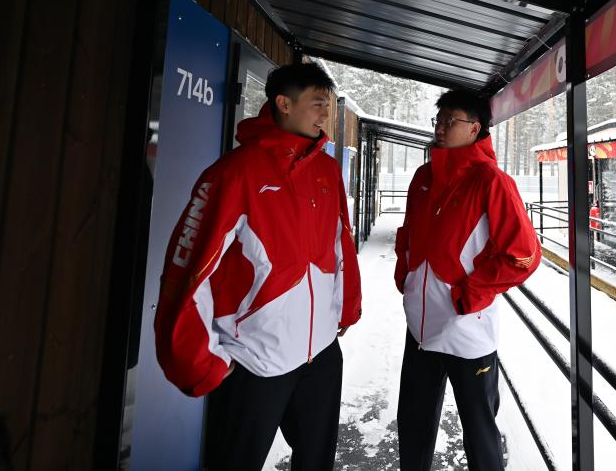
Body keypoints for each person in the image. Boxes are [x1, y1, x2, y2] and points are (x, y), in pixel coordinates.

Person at [154, 61, 362, 471]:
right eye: (317, 103)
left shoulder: (326, 169)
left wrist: (348, 307)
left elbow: (342, 244)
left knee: (317, 461)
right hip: (253, 359)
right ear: (284, 103)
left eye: (328, 104)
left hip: (321, 353)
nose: (325, 114)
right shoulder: (235, 172)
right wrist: (201, 361)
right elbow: (188, 269)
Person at [394, 89, 541, 471]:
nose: (440, 129)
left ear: (475, 128)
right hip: (420, 328)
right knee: (412, 424)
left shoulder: (492, 181)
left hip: (467, 329)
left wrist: (470, 293)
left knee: (479, 432)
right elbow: (408, 233)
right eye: (438, 121)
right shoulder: (423, 177)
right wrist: (405, 274)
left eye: (450, 121)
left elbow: (524, 256)